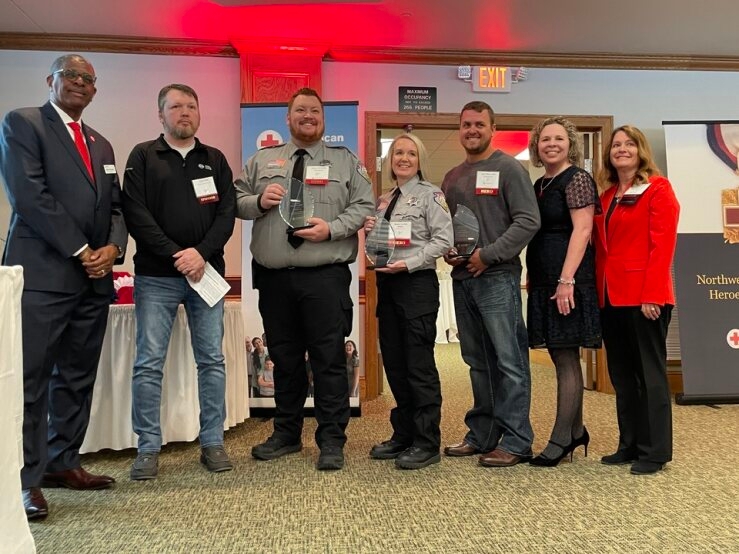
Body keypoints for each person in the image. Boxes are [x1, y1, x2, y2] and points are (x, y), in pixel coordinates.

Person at [0, 54, 126, 519]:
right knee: (31, 381)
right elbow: (28, 194)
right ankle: (25, 480)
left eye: (88, 79)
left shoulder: (102, 143)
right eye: (70, 75)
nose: (79, 83)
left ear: (95, 91)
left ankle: (62, 461)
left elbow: (115, 208)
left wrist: (112, 250)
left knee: (76, 377)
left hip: (93, 282)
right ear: (50, 80)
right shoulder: (23, 123)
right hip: (43, 276)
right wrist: (81, 250)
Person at [234, 87, 375, 470]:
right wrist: (259, 202)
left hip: (324, 277)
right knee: (284, 358)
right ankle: (286, 433)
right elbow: (236, 199)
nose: (307, 116)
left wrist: (331, 229)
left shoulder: (345, 161)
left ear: (323, 118)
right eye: (300, 110)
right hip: (276, 279)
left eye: (314, 110)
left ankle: (331, 440)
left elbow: (363, 206)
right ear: (287, 117)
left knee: (329, 359)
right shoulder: (263, 160)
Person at [122, 84, 236, 480]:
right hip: (157, 277)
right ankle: (148, 447)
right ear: (161, 114)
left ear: (199, 113)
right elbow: (136, 214)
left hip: (207, 273)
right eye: (175, 107)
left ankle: (212, 441)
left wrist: (200, 254)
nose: (184, 112)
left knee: (212, 361)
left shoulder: (215, 159)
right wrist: (178, 254)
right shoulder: (143, 156)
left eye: (191, 105)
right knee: (149, 363)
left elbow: (226, 214)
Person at [441, 101, 540, 467]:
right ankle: (482, 435)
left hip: (497, 277)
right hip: (463, 278)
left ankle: (516, 441)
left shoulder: (509, 168)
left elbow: (528, 221)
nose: (472, 130)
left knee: (509, 361)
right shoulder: (451, 177)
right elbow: (447, 228)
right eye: (466, 124)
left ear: (492, 127)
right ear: (460, 129)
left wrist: (489, 255)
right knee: (477, 362)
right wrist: (451, 253)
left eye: (479, 124)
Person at [593, 125, 680, 475]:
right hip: (611, 297)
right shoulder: (607, 194)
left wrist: (653, 294)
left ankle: (655, 451)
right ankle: (628, 444)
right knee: (623, 377)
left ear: (640, 150)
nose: (622, 149)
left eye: (629, 144)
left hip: (645, 296)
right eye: (616, 145)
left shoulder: (658, 188)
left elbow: (663, 245)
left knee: (651, 376)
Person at [364, 133, 453, 470]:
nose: (403, 158)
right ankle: (403, 434)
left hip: (416, 284)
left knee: (419, 366)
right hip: (388, 285)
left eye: (410, 153)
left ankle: (427, 441)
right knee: (396, 366)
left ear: (419, 160)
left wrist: (411, 262)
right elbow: (379, 246)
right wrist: (371, 230)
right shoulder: (384, 199)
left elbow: (445, 239)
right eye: (397, 152)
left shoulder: (431, 195)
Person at [525, 117, 602, 467]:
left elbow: (583, 229)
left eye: (558, 138)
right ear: (536, 146)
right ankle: (576, 430)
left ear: (570, 143)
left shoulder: (578, 179)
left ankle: (560, 439)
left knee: (566, 355)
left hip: (567, 280)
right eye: (545, 139)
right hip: (545, 279)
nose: (551, 144)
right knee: (560, 353)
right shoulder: (541, 182)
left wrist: (566, 279)